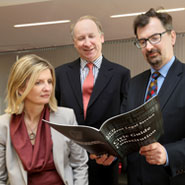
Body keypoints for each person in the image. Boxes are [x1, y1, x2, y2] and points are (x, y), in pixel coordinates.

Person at [91, 8, 185, 185]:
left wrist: (167, 154)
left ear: (172, 37)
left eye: (155, 37)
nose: (148, 47)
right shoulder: (134, 84)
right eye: (142, 41)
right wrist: (111, 152)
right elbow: (125, 134)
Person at [55, 15, 130, 185]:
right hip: (68, 162)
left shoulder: (121, 74)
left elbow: (124, 119)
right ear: (74, 43)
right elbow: (54, 114)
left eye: (91, 36)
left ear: (101, 38)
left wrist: (115, 152)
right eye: (81, 38)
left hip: (106, 161)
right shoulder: (60, 75)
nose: (87, 43)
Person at [0, 54, 88, 185]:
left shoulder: (66, 117)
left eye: (49, 81)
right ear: (20, 88)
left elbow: (79, 164)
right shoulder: (4, 125)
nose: (47, 88)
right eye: (38, 82)